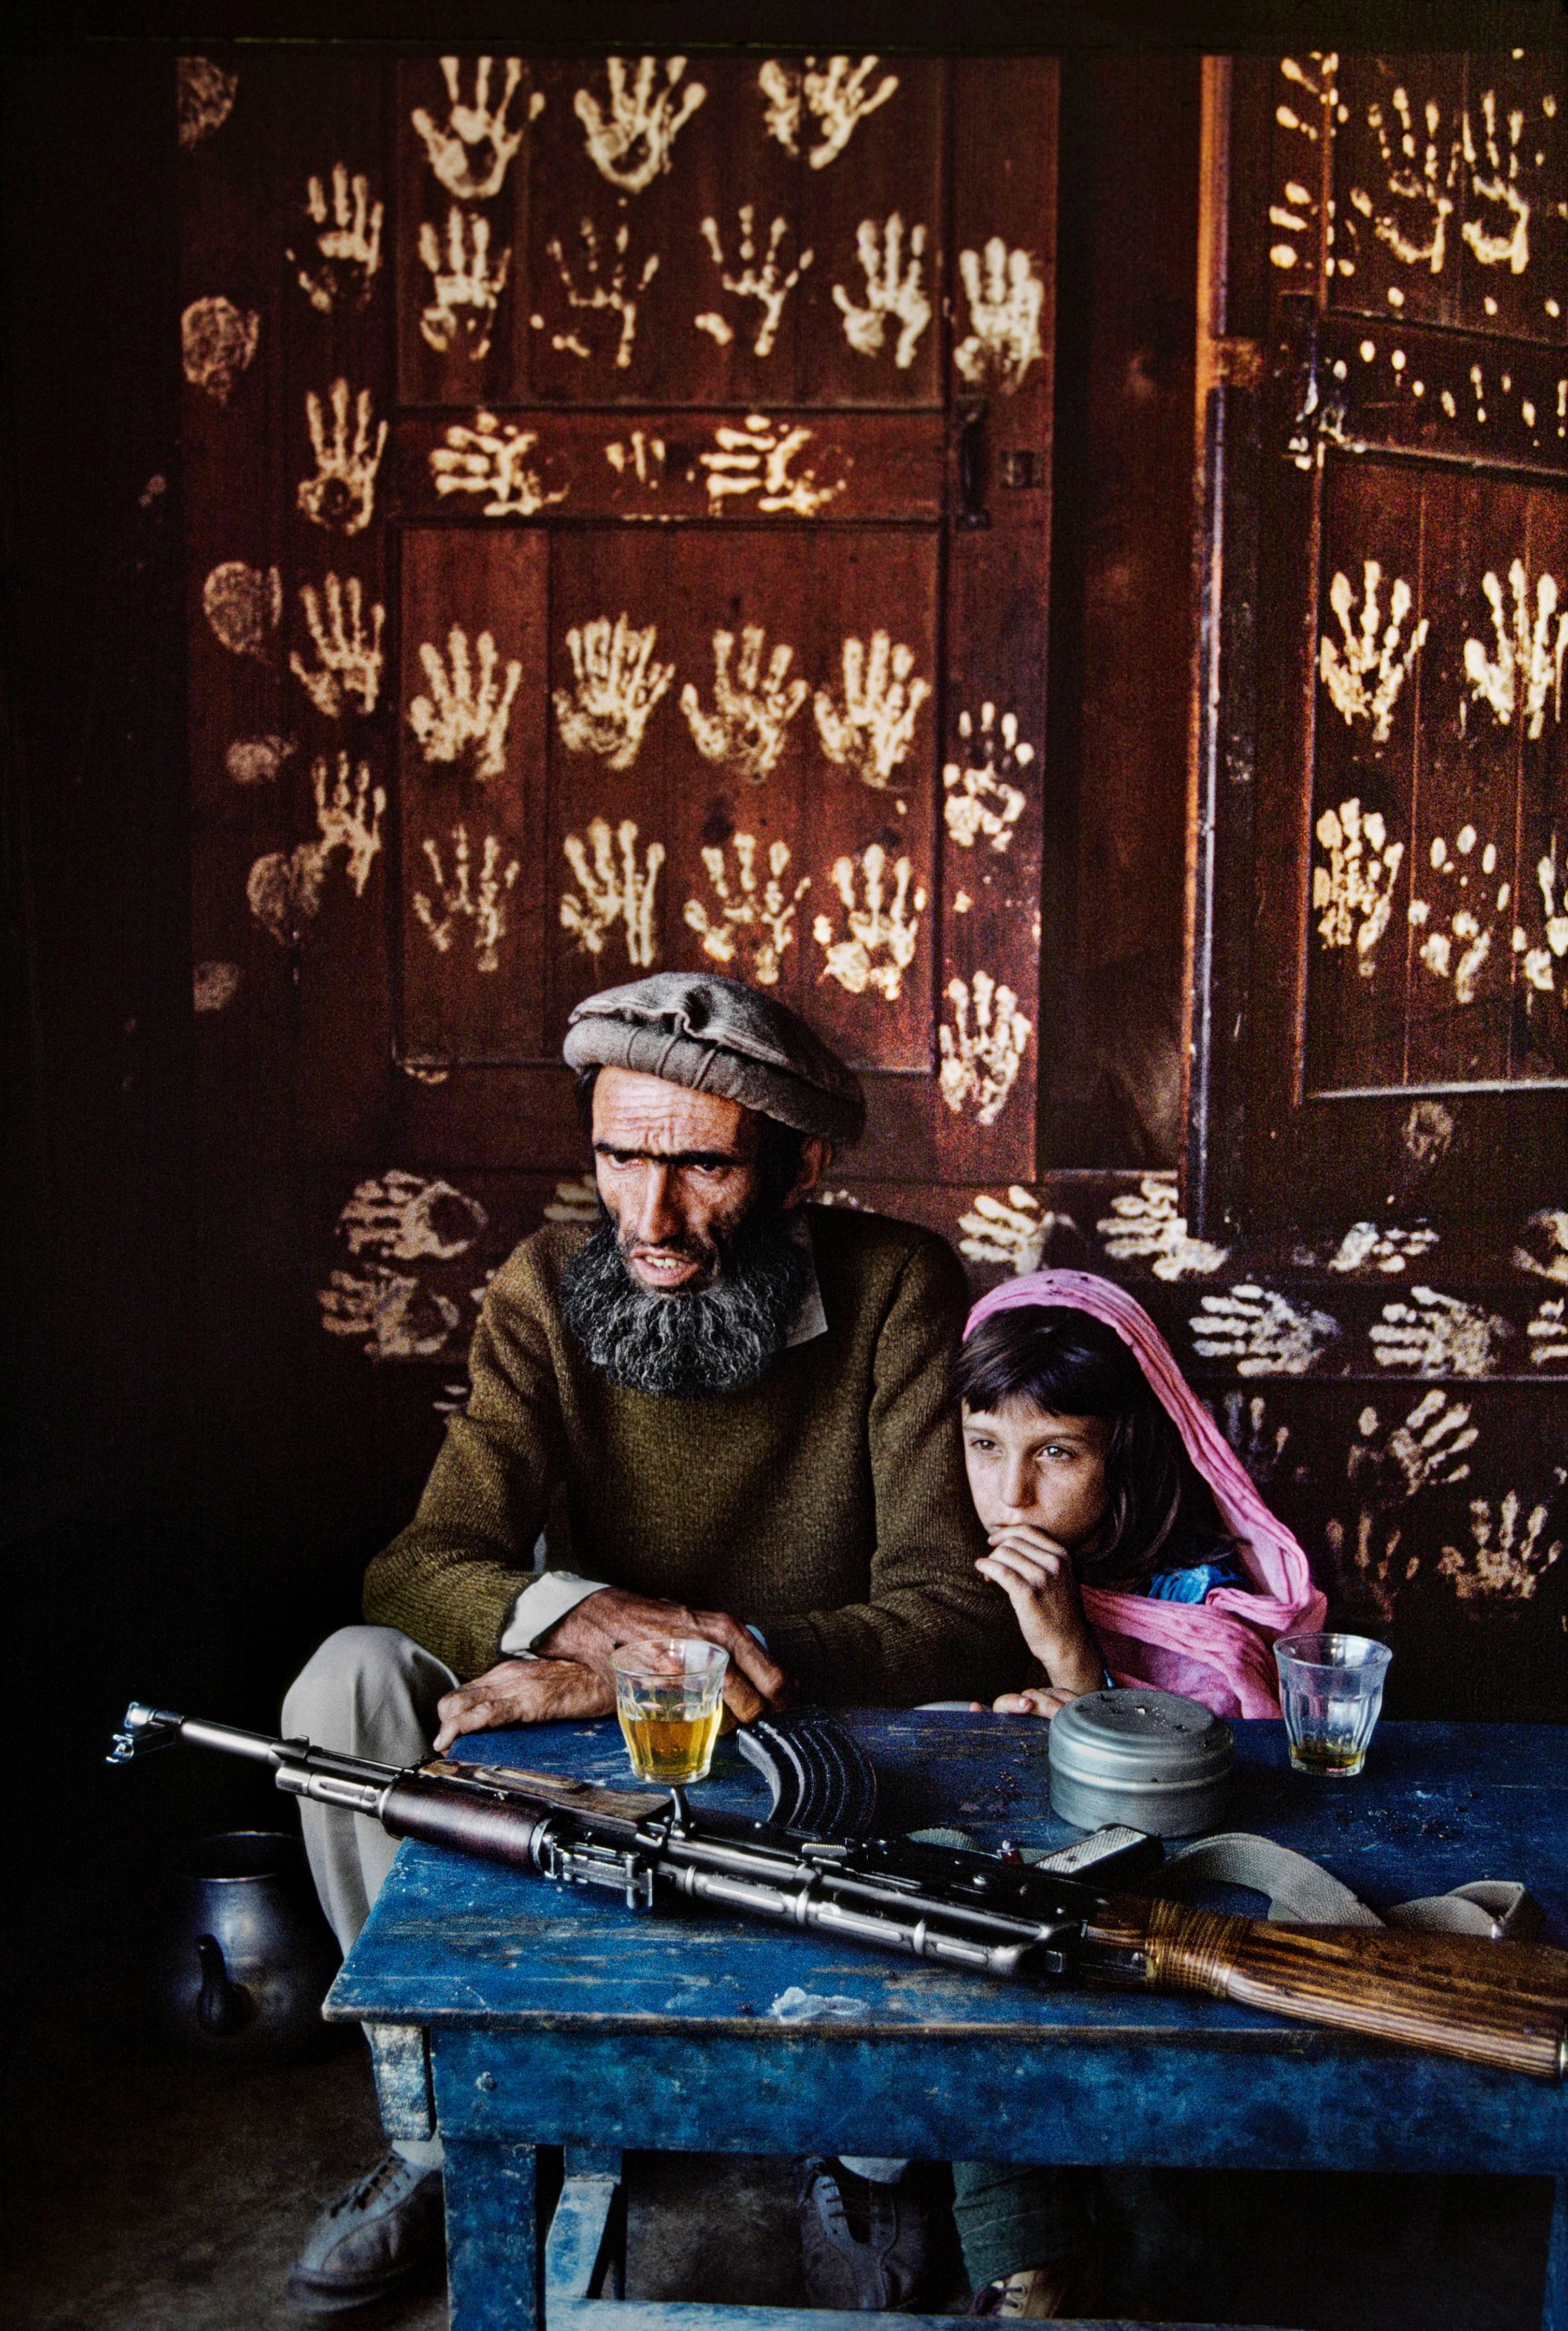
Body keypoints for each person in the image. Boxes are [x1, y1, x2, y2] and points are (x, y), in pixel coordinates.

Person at [279, 971, 1020, 2313]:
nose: (649, 1215)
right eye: (618, 1155)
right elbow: (418, 1562)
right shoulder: (548, 1283)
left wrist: (697, 1657)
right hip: (595, 1737)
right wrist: (585, 1625)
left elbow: (957, 1610)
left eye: (698, 1167)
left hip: (813, 1737)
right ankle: (438, 2125)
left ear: (799, 1169)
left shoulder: (896, 1286)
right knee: (346, 1679)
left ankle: (849, 2142)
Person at [915, 1269, 1324, 2317]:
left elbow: (1231, 1783)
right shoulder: (934, 1564)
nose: (1009, 1495)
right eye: (983, 1447)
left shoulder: (1202, 1607)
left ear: (1122, 1449)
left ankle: (1128, 2239)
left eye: (1054, 1454)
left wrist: (1067, 1661)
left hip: (1171, 1930)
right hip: (1004, 1917)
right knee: (981, 1969)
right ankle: (1030, 2265)